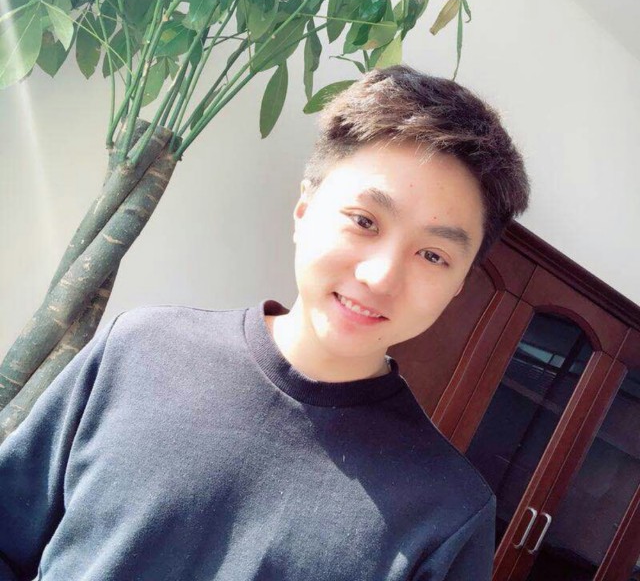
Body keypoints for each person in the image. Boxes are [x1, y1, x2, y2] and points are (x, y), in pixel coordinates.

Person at [0, 65, 530, 581]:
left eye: (433, 255)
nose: (380, 277)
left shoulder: (446, 515)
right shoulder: (139, 350)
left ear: (459, 284)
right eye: (364, 221)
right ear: (304, 210)